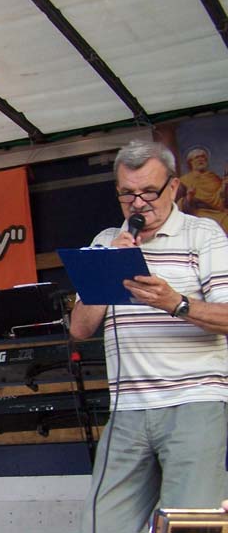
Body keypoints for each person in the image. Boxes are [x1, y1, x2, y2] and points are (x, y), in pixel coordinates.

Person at [70, 141, 228, 533]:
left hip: (194, 404)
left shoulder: (204, 234)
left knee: (191, 526)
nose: (138, 204)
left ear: (173, 187)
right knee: (99, 525)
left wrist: (176, 303)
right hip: (127, 408)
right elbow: (80, 328)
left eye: (149, 192)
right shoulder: (106, 239)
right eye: (128, 194)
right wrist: (107, 266)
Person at [177, 146, 228, 230]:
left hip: (219, 211)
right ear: (190, 162)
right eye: (197, 157)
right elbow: (178, 205)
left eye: (203, 157)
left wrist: (224, 187)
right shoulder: (184, 181)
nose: (201, 159)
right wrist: (189, 197)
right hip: (199, 213)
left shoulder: (214, 178)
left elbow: (222, 199)